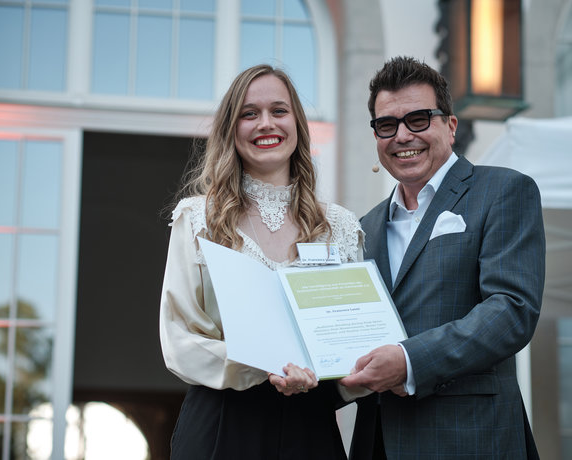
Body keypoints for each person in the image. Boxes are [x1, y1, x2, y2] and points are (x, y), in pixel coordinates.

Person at [340, 56, 546, 459]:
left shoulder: (504, 190)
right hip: (377, 441)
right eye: (387, 125)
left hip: (470, 438)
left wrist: (409, 360)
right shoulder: (364, 227)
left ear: (450, 127)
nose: (402, 135)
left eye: (418, 119)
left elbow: (511, 309)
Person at [159, 64, 364, 459]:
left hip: (312, 426)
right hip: (221, 422)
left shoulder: (339, 227)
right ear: (231, 130)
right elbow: (179, 338)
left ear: (298, 125)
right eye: (249, 114)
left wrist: (337, 376)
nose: (265, 124)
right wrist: (259, 369)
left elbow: (350, 342)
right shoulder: (197, 218)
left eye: (279, 111)